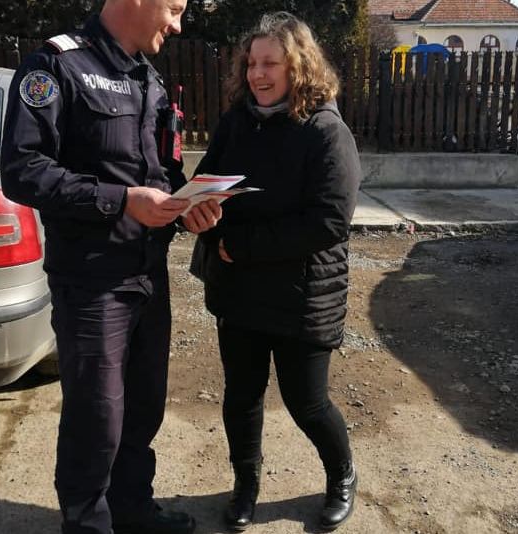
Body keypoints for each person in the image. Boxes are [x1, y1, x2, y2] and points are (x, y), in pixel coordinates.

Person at [0, 1, 221, 533]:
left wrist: (186, 206)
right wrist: (121, 201)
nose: (178, 25)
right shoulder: (56, 67)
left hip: (148, 273)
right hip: (92, 282)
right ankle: (87, 524)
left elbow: (162, 170)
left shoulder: (150, 79)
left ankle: (132, 511)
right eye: (174, 9)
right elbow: (23, 170)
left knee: (143, 408)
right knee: (96, 419)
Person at [191, 11, 361, 532]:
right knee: (241, 398)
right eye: (251, 64)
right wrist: (196, 213)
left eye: (270, 64)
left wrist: (241, 245)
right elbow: (206, 183)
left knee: (307, 403)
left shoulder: (326, 131)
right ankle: (245, 486)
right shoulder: (236, 122)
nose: (257, 74)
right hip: (239, 291)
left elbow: (329, 221)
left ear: (299, 67)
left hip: (302, 294)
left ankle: (342, 476)